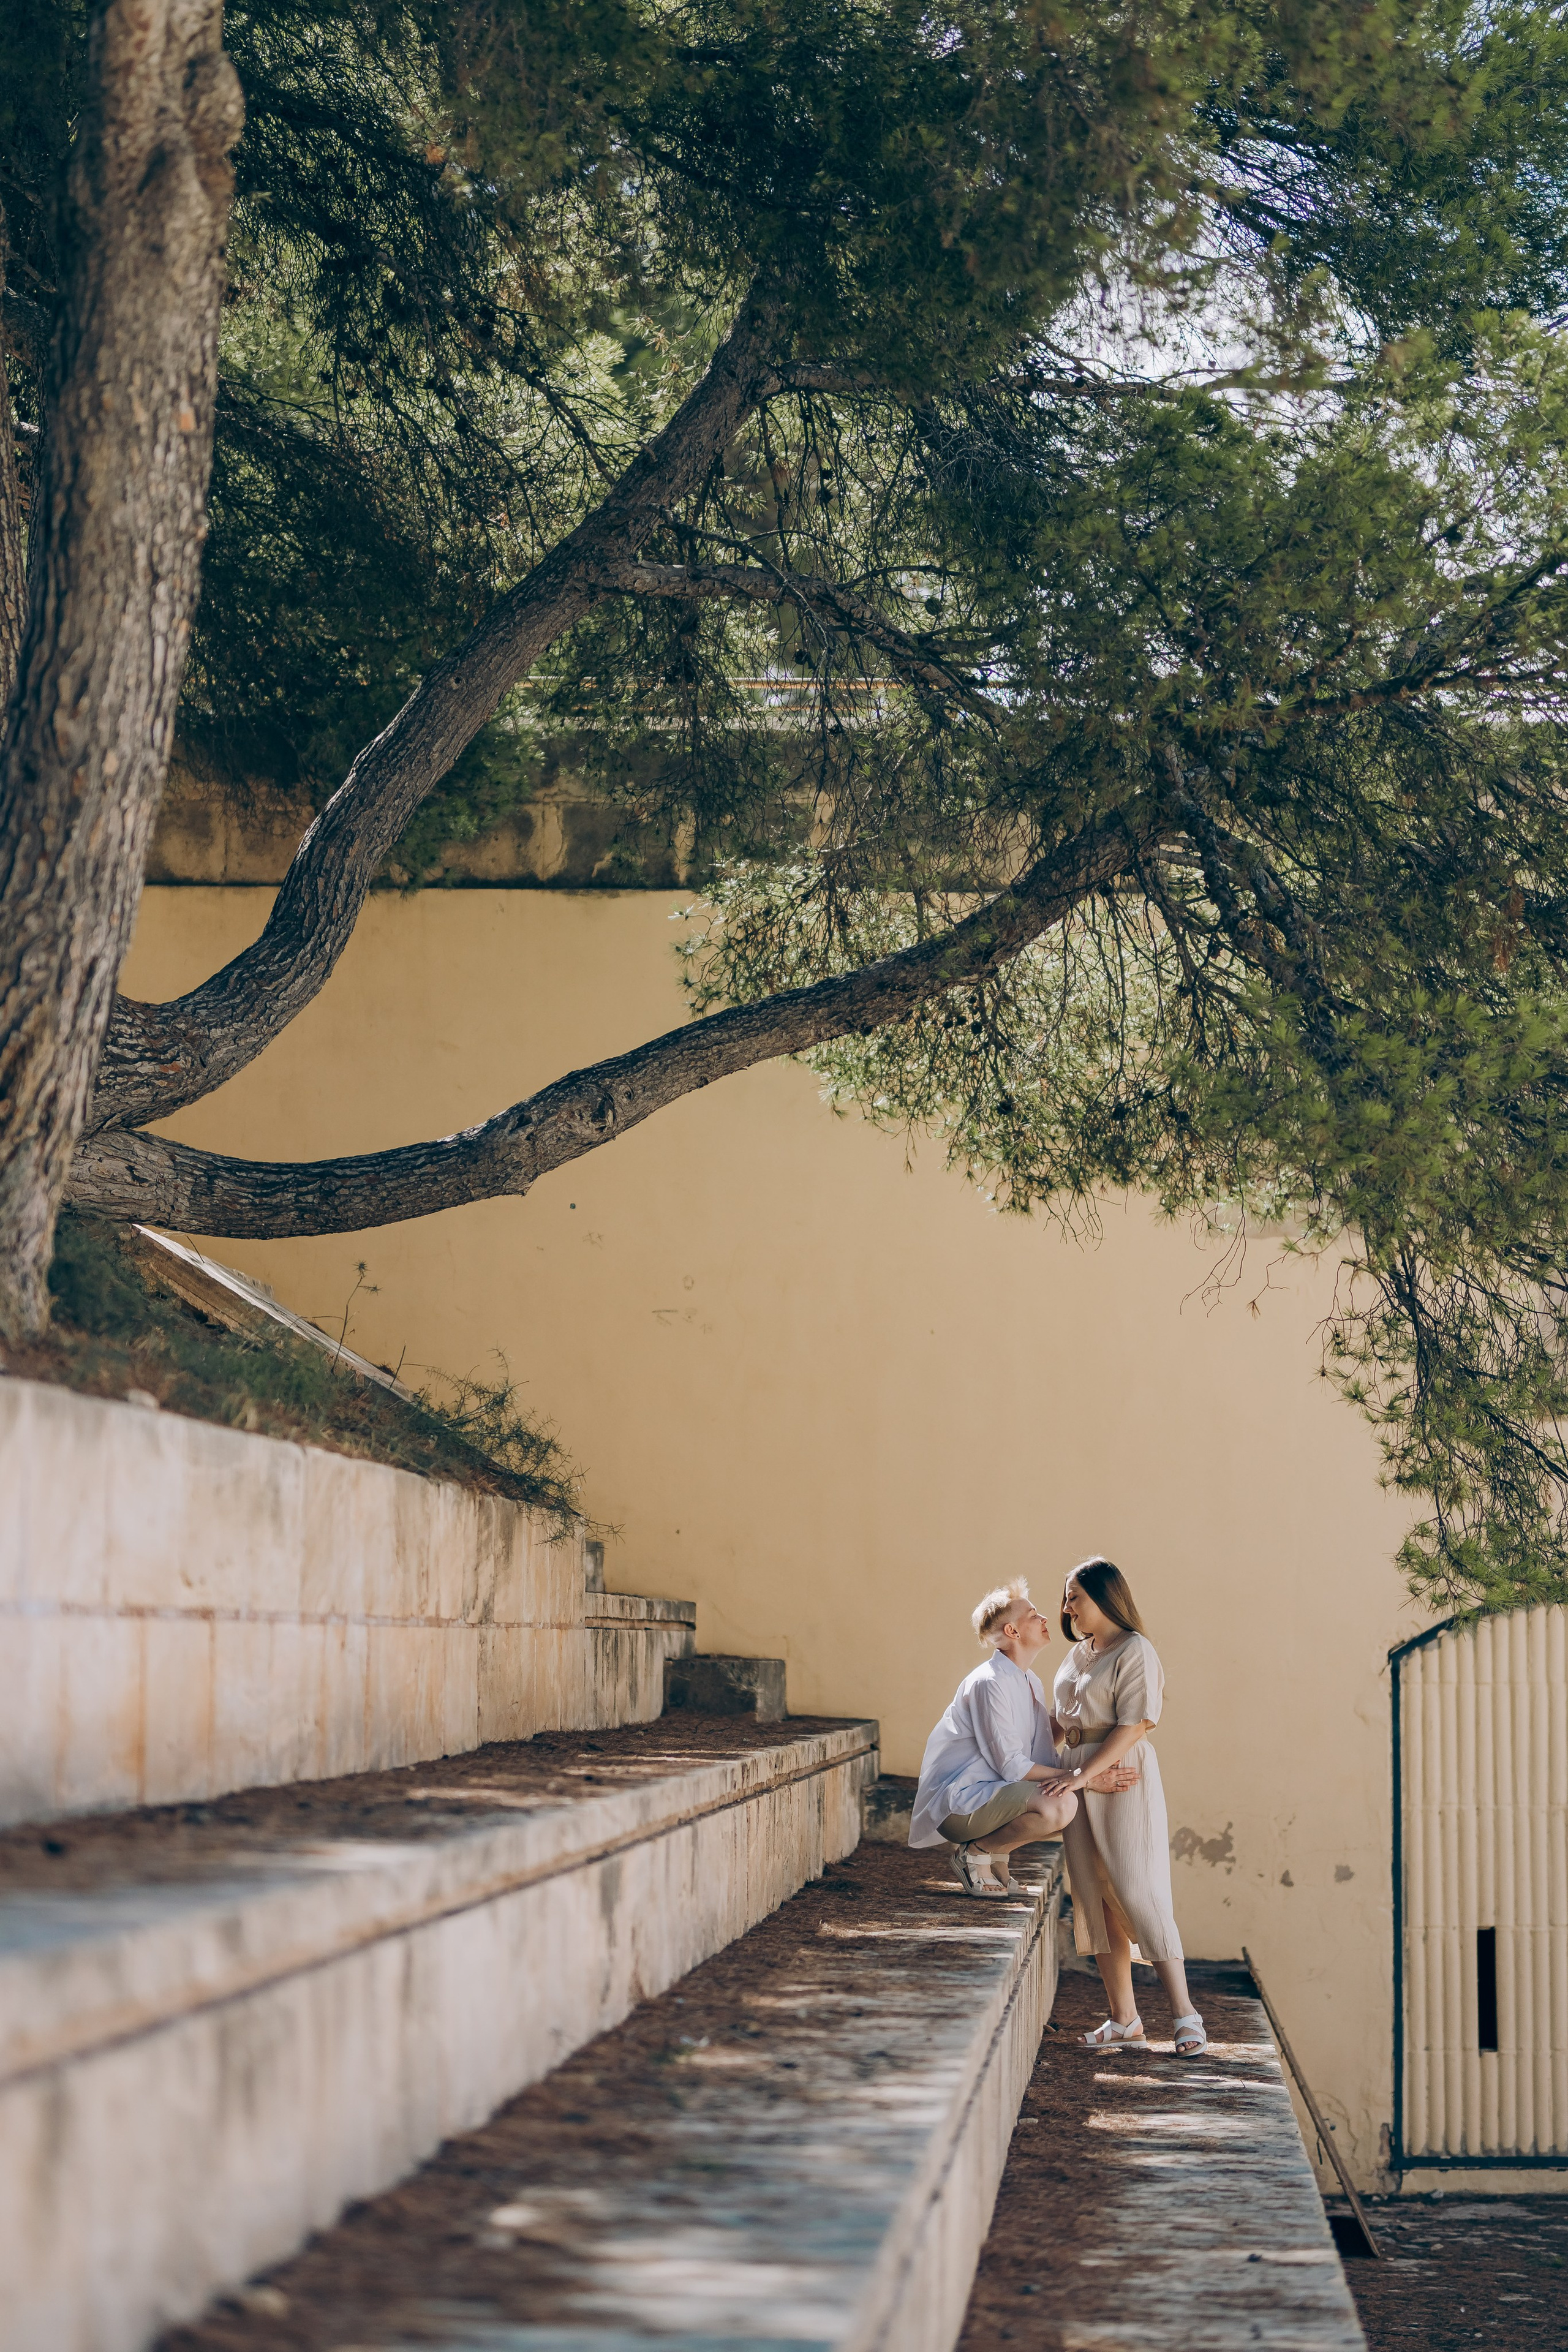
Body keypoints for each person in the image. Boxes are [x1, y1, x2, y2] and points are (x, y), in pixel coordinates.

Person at [1037, 1556, 1206, 2056]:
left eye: (1075, 1598)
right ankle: (1125, 2021)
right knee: (1097, 1899)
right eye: (1066, 1598)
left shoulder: (1137, 1651)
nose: (1066, 1608)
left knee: (1139, 1890)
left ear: (1106, 1597)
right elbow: (1061, 1723)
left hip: (1121, 1777)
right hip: (1079, 1779)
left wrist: (1085, 1776)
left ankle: (1185, 2015)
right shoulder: (1078, 1655)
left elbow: (1133, 1725)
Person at [910, 1577, 1139, 1899]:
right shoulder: (990, 1683)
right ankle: (976, 1851)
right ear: (1012, 1632)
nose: (1046, 1618)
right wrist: (1085, 1777)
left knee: (1077, 1805)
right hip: (960, 1806)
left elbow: (1041, 1743)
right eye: (1033, 1615)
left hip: (993, 1796)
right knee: (1061, 1805)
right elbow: (1013, 1766)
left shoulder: (1028, 1679)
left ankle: (997, 1855)